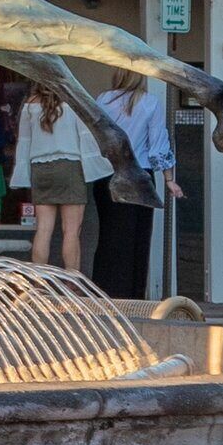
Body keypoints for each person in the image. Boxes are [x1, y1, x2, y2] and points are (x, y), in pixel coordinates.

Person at [91, 73, 172, 301]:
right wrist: (169, 178)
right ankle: (133, 295)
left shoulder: (103, 100)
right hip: (139, 175)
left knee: (109, 235)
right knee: (138, 238)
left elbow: (95, 139)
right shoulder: (150, 102)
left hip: (107, 173)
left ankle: (105, 291)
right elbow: (158, 145)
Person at [15, 82, 107, 275]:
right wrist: (97, 166)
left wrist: (23, 174)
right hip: (70, 167)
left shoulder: (30, 104)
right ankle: (72, 281)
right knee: (72, 231)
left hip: (40, 169)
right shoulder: (73, 102)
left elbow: (24, 143)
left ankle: (39, 280)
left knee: (43, 229)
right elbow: (86, 137)